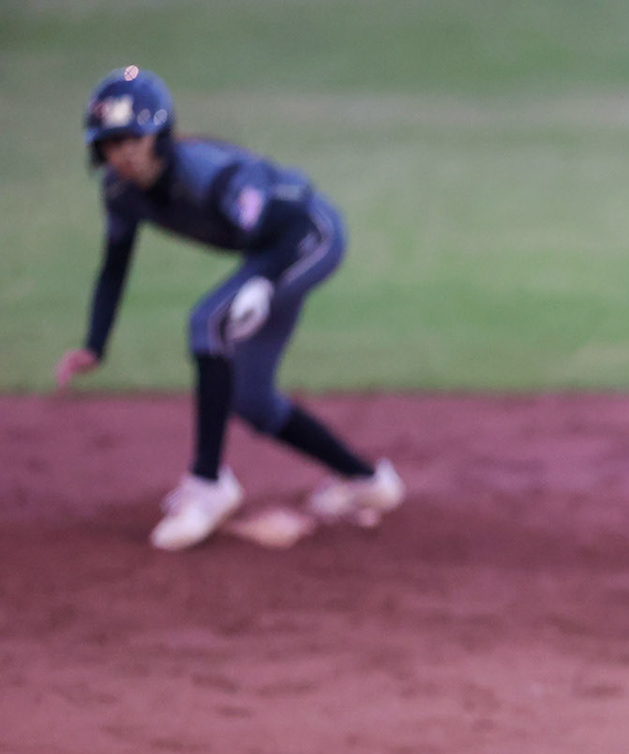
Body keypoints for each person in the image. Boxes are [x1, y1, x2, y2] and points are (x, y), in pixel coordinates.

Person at [54, 66, 403, 551]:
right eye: (110, 144)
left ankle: (208, 483)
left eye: (132, 138)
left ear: (159, 135)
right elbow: (115, 266)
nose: (121, 154)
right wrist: (95, 344)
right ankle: (368, 482)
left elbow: (296, 221)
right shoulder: (121, 192)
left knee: (208, 322)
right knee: (251, 399)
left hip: (311, 236)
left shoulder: (209, 175)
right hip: (271, 253)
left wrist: (261, 282)